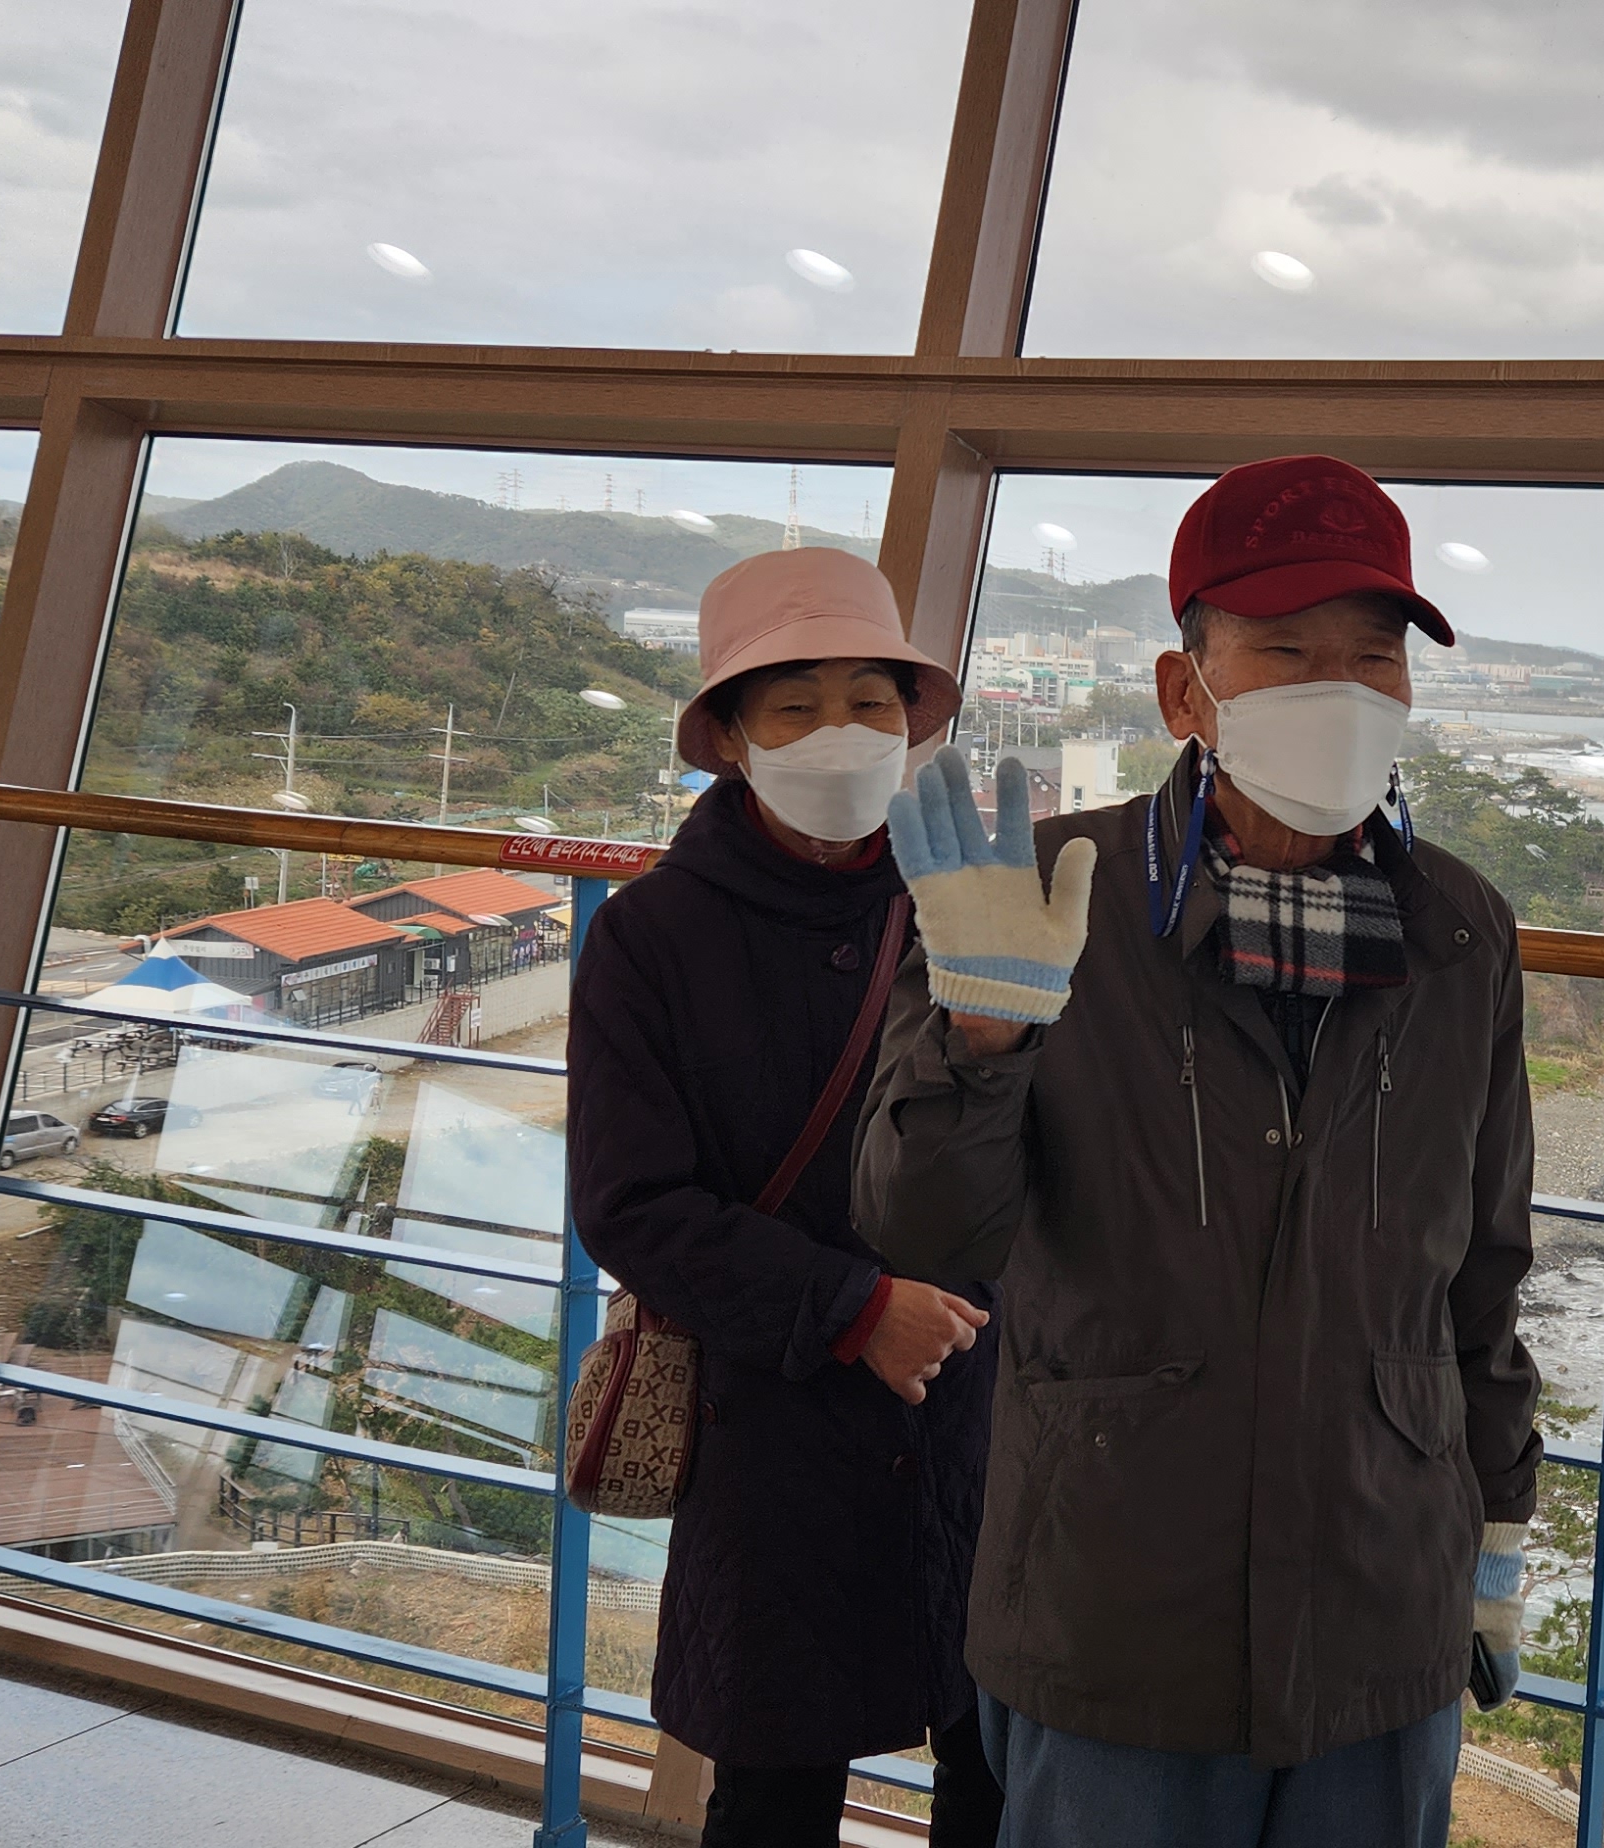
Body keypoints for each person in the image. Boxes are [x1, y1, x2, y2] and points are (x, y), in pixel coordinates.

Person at [858, 455, 1540, 1847]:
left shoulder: (1460, 932)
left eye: (1373, 658)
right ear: (1187, 692)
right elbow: (923, 1235)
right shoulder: (1043, 897)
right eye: (1286, 653)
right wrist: (981, 1036)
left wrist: (1497, 1541)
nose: (1340, 692)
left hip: (1381, 1606)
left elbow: (1484, 1269)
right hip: (1118, 1604)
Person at [567, 547, 1002, 1847]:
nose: (839, 733)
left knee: (997, 1768)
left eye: (871, 700)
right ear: (730, 737)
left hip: (975, 1399)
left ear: (910, 724)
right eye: (794, 705)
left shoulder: (966, 904)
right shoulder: (653, 935)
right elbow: (631, 1203)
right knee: (774, 1785)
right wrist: (852, 1309)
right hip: (767, 1419)